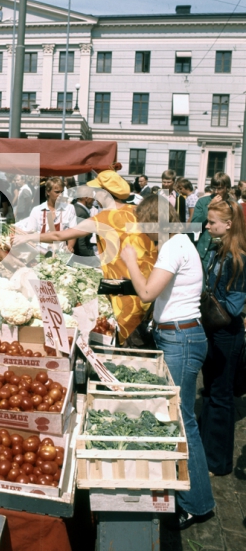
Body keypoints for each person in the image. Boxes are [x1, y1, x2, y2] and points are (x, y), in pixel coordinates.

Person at [120, 195, 215, 531]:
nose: (143, 235)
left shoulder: (174, 245)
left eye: (145, 226)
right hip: (177, 337)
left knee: (184, 422)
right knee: (180, 419)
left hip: (181, 340)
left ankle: (198, 503)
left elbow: (146, 293)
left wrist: (130, 261)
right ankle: (189, 495)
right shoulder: (179, 243)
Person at [13, 169, 157, 343]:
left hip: (125, 292)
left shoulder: (102, 219)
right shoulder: (138, 211)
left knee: (127, 347)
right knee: (145, 342)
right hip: (152, 286)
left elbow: (60, 235)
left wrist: (28, 236)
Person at [199, 198, 246, 477]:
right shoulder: (217, 250)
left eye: (212, 222)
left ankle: (217, 462)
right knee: (211, 391)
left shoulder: (238, 258)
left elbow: (234, 305)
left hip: (227, 334)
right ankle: (206, 450)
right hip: (214, 331)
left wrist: (209, 298)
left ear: (228, 225)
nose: (207, 225)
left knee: (221, 395)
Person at [17, 177, 77, 253]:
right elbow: (31, 232)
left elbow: (72, 232)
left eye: (62, 192)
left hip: (60, 252)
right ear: (48, 192)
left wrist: (70, 246)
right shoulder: (37, 210)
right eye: (57, 192)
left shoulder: (69, 208)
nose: (60, 195)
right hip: (40, 251)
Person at [192, 172, 232, 269]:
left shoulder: (233, 204)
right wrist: (209, 207)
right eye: (214, 188)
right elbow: (194, 226)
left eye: (220, 188)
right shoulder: (203, 202)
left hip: (225, 250)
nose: (216, 192)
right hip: (205, 252)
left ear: (227, 188)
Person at [71, 185, 98, 260]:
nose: (94, 200)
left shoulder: (76, 208)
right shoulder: (81, 213)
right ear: (86, 198)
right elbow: (81, 242)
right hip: (81, 256)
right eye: (92, 197)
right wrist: (92, 259)